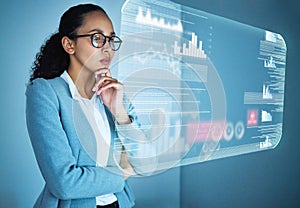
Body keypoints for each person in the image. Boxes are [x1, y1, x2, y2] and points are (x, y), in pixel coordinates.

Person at [26, 3, 151, 208]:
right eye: (97, 38)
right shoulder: (45, 93)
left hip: (119, 203)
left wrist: (119, 112)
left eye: (111, 39)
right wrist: (123, 171)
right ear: (69, 45)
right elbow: (64, 183)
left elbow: (145, 163)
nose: (108, 48)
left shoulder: (114, 92)